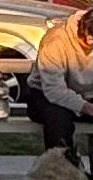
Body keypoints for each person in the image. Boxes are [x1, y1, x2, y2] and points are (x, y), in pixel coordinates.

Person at [30, 9, 93, 168]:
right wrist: (86, 107)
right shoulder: (56, 40)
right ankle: (63, 173)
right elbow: (54, 90)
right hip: (46, 94)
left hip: (87, 94)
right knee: (58, 120)